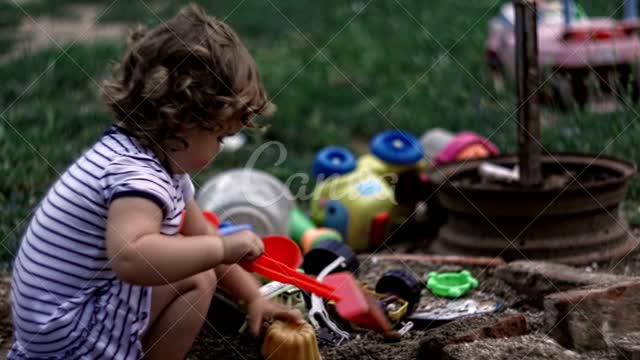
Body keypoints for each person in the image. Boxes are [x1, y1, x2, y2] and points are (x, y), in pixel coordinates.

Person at [9, 4, 303, 359]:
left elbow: (203, 240)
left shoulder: (149, 161)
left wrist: (252, 296)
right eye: (220, 138)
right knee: (197, 278)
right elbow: (132, 258)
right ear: (182, 121)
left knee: (195, 258)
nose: (220, 149)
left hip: (52, 324)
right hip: (67, 333)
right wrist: (223, 250)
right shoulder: (136, 177)